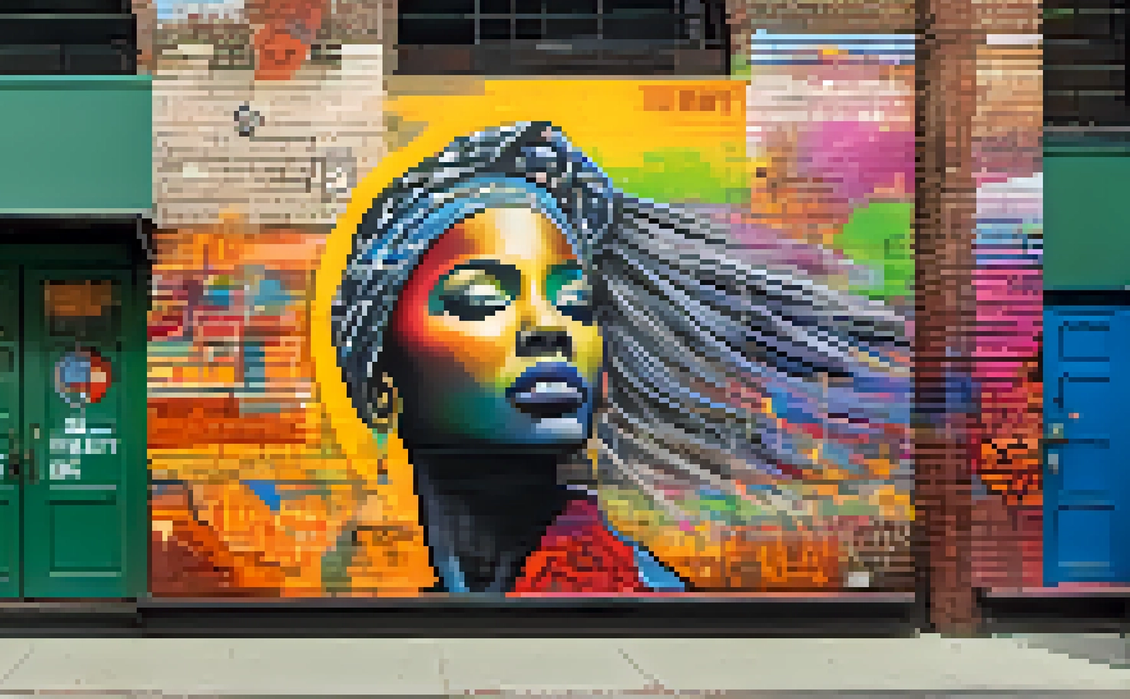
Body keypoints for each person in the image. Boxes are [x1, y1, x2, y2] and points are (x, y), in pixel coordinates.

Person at [330, 121, 910, 593]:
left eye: (576, 304)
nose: (550, 329)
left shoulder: (638, 591)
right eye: (483, 299)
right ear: (381, 378)